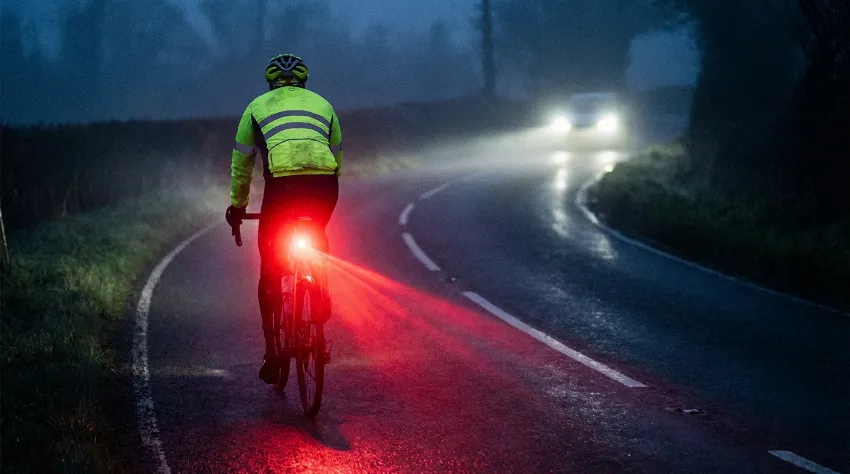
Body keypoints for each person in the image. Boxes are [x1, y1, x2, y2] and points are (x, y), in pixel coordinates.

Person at [225, 54, 342, 384]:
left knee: (270, 267)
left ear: (271, 83)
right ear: (303, 81)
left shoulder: (255, 108)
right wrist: (327, 181)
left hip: (282, 186)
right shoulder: (324, 104)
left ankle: (272, 351)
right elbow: (337, 155)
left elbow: (242, 165)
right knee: (317, 230)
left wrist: (237, 206)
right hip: (324, 184)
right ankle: (321, 295)